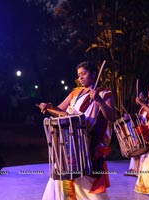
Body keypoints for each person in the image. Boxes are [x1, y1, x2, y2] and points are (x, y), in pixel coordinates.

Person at [38, 61, 116, 200]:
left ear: (93, 74)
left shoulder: (104, 93)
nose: (80, 77)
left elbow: (111, 116)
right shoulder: (75, 92)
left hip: (88, 143)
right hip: (69, 141)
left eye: (83, 74)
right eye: (79, 75)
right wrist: (48, 106)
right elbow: (59, 110)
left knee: (87, 179)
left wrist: (99, 101)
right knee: (63, 174)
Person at [125, 91, 148, 176]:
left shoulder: (148, 108)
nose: (138, 98)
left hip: (146, 133)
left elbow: (144, 120)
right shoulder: (141, 109)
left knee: (141, 151)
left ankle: (140, 171)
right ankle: (133, 169)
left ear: (145, 98)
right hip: (139, 132)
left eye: (141, 97)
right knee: (136, 149)